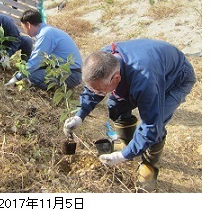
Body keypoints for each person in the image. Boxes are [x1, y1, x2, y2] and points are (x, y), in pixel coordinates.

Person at [63, 39, 196, 191]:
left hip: (176, 78)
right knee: (116, 105)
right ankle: (127, 142)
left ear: (117, 78)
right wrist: (80, 115)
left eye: (101, 90)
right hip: (152, 64)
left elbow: (151, 125)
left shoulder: (145, 80)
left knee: (158, 122)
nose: (99, 94)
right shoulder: (103, 61)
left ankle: (148, 166)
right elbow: (93, 89)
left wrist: (122, 156)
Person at [15, 9, 82, 89]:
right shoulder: (48, 31)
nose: (24, 31)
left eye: (23, 27)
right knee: (35, 71)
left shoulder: (45, 34)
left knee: (33, 77)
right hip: (71, 71)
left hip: (71, 74)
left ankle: (61, 90)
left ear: (28, 25)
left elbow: (36, 61)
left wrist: (17, 77)